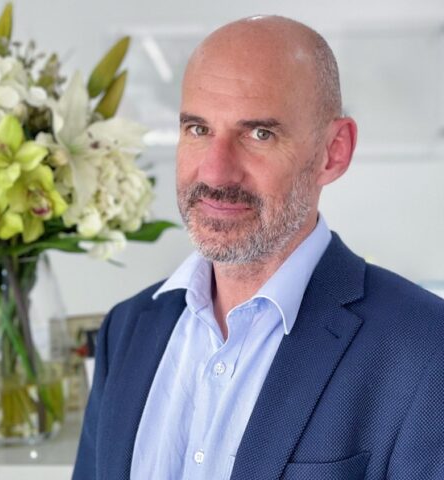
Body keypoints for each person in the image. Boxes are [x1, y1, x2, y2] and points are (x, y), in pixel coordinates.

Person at [73, 15, 444, 480]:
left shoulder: (425, 349)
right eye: (198, 129)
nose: (215, 172)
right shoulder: (125, 330)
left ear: (334, 151)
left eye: (259, 134)